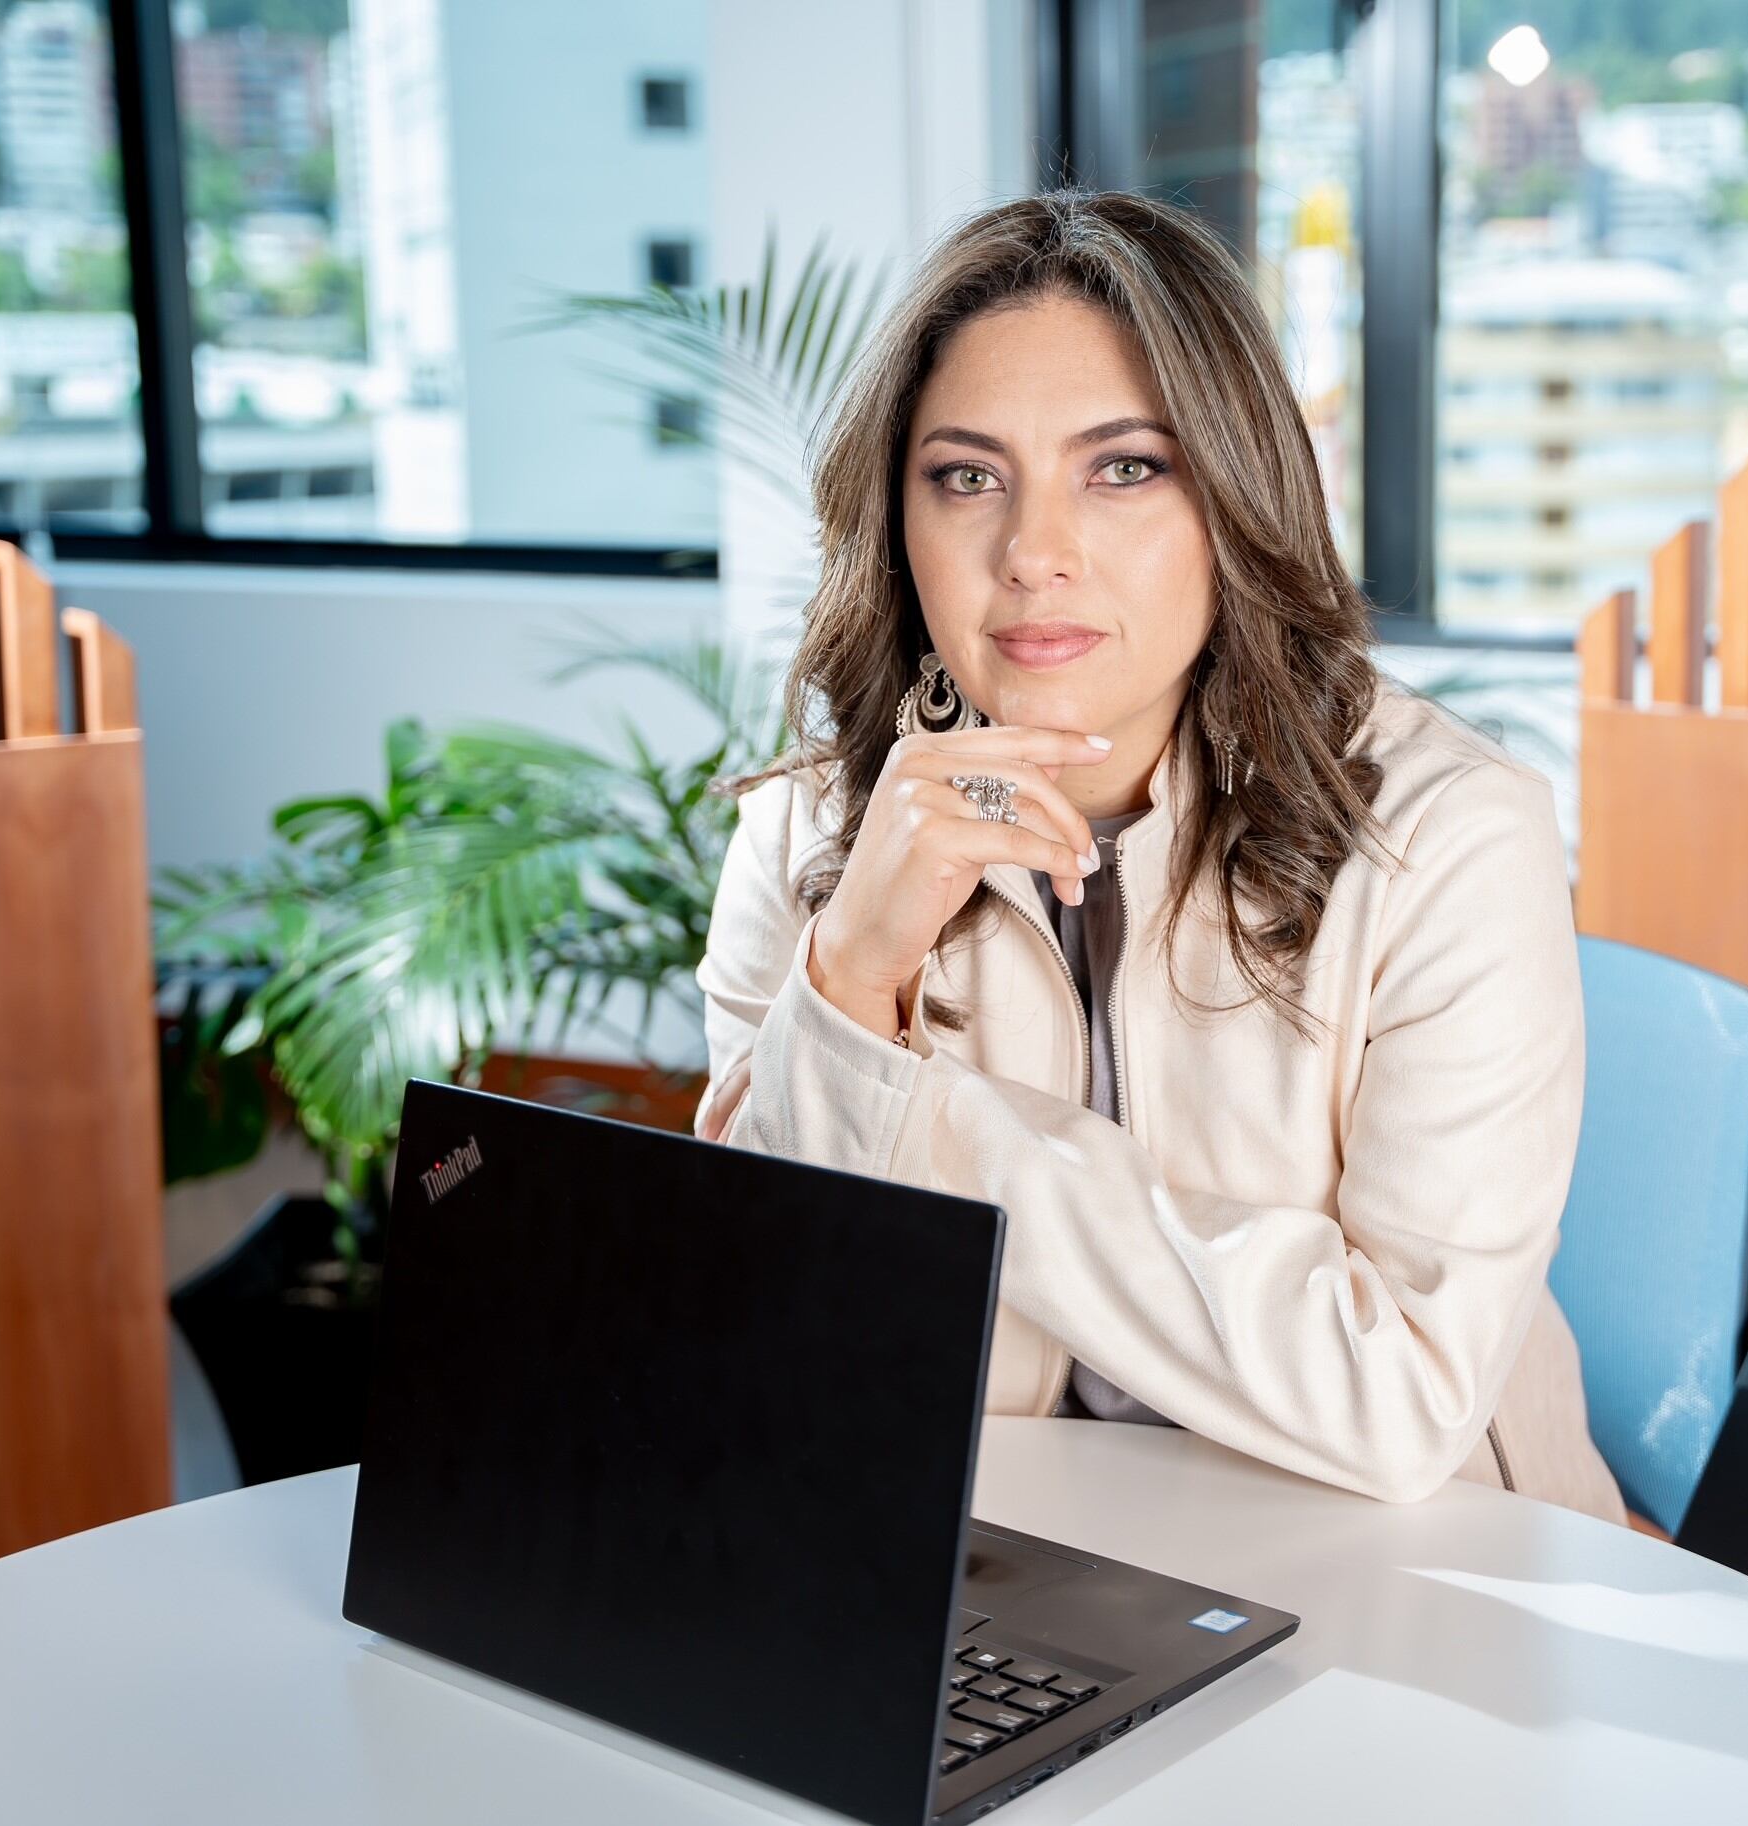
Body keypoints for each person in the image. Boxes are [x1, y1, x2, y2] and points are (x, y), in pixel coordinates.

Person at [695, 189, 1623, 1523]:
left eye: (1123, 467)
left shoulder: (1447, 837)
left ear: (1232, 495)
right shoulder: (812, 832)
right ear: (896, 522)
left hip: (1412, 1573)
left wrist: (924, 1120)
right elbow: (758, 1329)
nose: (1034, 555)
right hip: (981, 1567)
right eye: (966, 477)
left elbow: (1395, 1395)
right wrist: (849, 980)